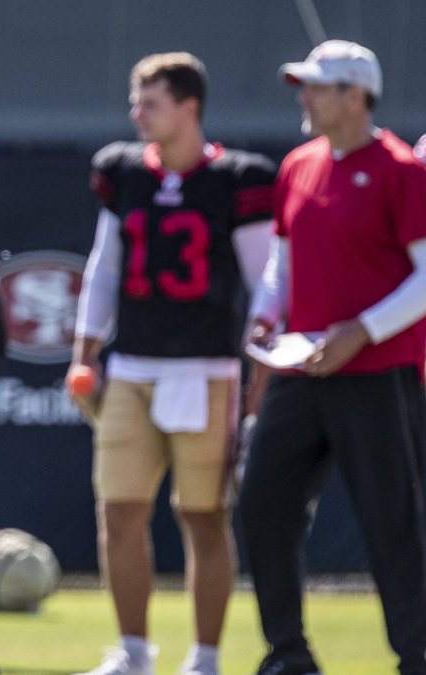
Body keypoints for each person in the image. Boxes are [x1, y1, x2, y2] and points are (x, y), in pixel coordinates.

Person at [67, 52, 278, 675]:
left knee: (204, 516)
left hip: (207, 372)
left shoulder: (237, 178)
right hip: (132, 367)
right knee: (119, 512)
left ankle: (206, 657)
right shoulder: (123, 170)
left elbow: (264, 285)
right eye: (137, 100)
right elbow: (104, 265)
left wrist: (256, 376)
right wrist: (85, 349)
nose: (137, 114)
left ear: (190, 107)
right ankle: (134, 652)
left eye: (151, 102)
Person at [241, 40, 426, 675]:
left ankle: (416, 655)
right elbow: (280, 263)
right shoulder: (297, 165)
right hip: (303, 369)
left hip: (378, 376)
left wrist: (362, 331)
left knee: (393, 524)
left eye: (317, 87)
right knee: (262, 504)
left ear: (355, 96)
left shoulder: (402, 169)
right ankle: (287, 654)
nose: (305, 98)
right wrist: (265, 316)